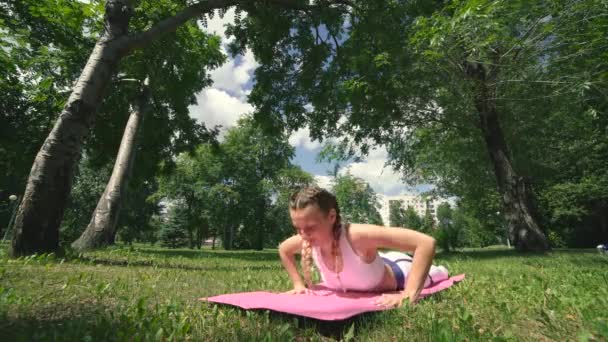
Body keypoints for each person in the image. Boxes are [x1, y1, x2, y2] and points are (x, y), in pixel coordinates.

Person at [278, 186, 449, 308]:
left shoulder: (356, 236)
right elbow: (283, 250)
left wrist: (408, 293)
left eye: (310, 227)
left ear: (331, 216)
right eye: (297, 228)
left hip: (401, 271)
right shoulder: (306, 239)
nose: (303, 235)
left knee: (441, 274)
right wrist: (298, 284)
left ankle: (440, 270)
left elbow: (426, 243)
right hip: (376, 261)